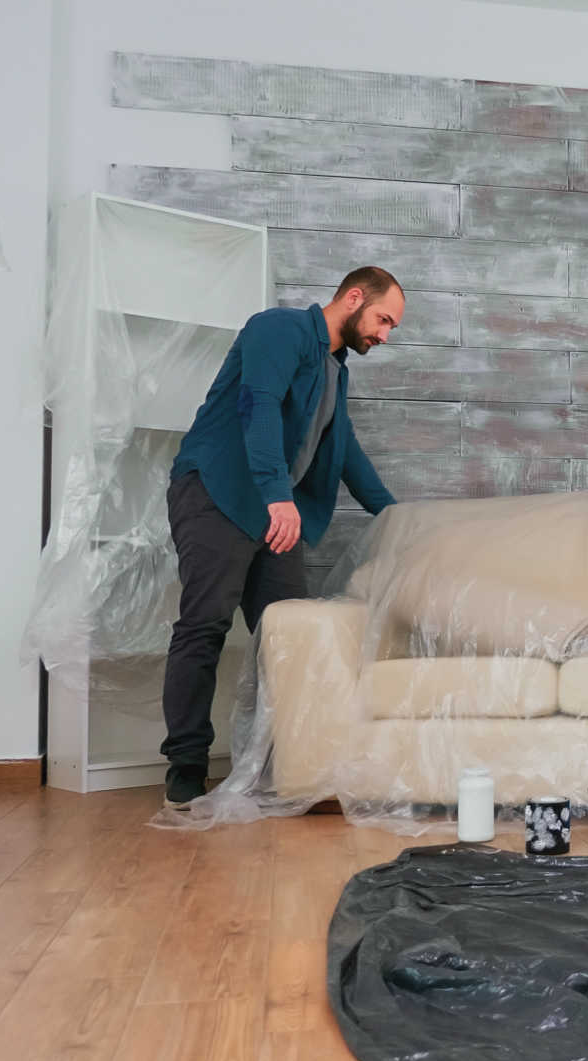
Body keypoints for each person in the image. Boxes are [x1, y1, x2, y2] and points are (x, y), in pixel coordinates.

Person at [159, 266, 404, 807]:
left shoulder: (335, 370)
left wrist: (395, 517)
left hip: (272, 510)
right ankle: (186, 764)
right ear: (354, 297)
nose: (385, 335)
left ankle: (283, 764)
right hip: (219, 493)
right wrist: (277, 495)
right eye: (384, 319)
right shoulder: (280, 329)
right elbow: (258, 405)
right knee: (206, 623)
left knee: (289, 636)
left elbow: (346, 454)